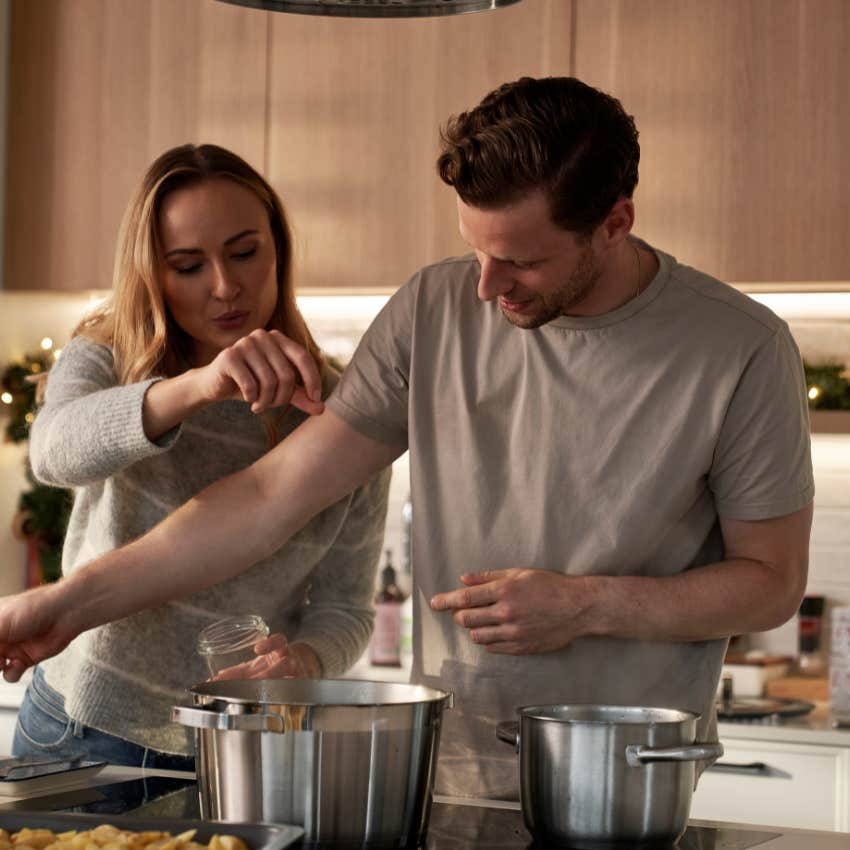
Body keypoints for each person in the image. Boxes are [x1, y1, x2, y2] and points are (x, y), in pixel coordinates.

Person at [0, 78, 812, 798]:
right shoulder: (435, 308)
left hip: (629, 770)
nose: (486, 290)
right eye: (474, 252)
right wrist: (62, 605)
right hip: (452, 765)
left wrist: (588, 604)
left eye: (520, 262)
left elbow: (771, 584)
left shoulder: (740, 349)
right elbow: (264, 498)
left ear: (614, 222)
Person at [7, 143, 390, 769]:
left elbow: (347, 609)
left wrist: (308, 660)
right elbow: (53, 454)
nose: (225, 286)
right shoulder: (111, 354)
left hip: (237, 750)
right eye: (187, 265)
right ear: (152, 273)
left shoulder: (339, 417)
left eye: (245, 252)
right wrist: (200, 386)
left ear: (279, 249)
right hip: (78, 728)